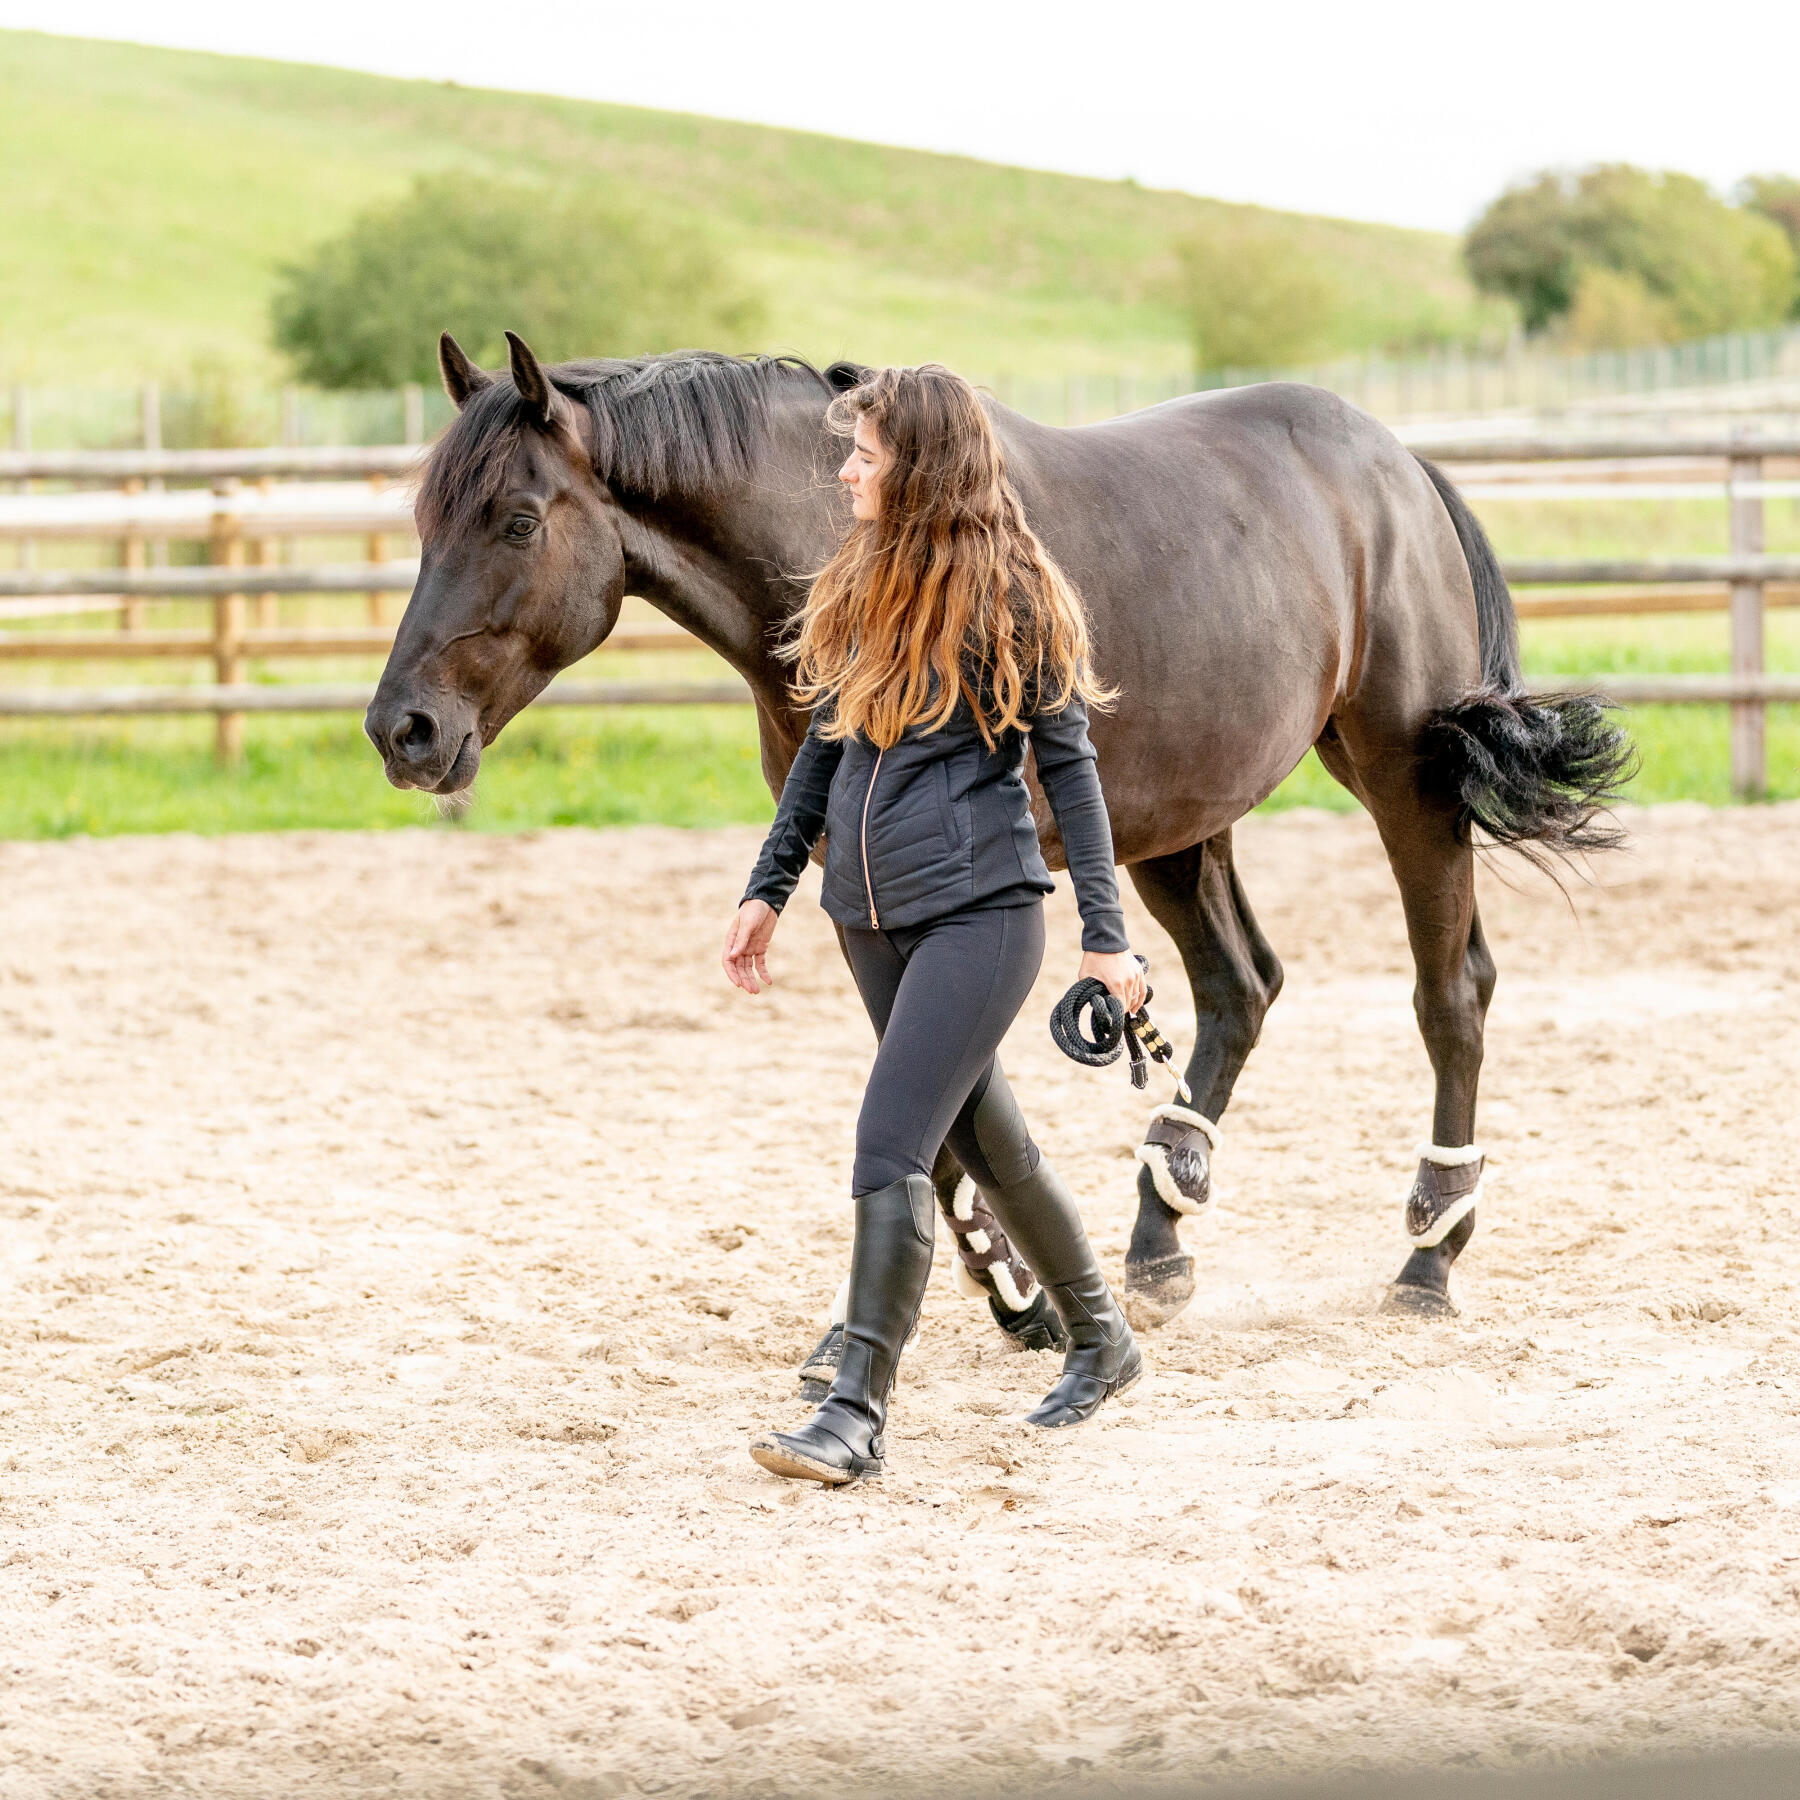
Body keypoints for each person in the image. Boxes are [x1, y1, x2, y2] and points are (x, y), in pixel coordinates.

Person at [721, 364, 1146, 1486]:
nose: (848, 471)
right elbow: (824, 748)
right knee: (988, 1144)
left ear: (923, 467)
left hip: (980, 916)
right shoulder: (859, 579)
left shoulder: (1016, 595)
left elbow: (1074, 774)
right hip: (867, 914)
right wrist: (769, 886)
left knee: (888, 1148)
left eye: (866, 454)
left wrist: (1108, 935)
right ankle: (1103, 1341)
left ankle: (854, 1411)